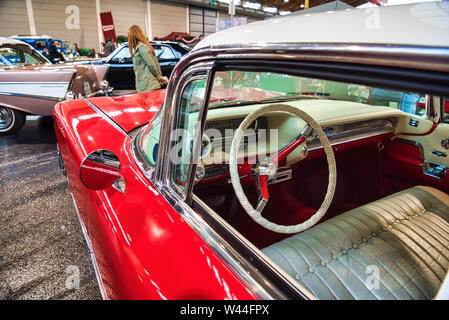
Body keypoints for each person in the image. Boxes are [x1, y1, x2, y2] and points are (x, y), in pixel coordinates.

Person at [128, 24, 168, 93]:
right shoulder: (142, 47)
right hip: (147, 86)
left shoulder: (141, 47)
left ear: (133, 36)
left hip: (148, 86)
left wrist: (159, 78)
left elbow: (151, 65)